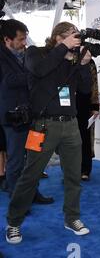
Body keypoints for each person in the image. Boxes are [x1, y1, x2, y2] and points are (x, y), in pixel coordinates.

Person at [5, 22, 93, 244]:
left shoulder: (72, 59)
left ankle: (71, 218)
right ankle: (14, 223)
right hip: (42, 127)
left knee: (73, 176)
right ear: (58, 37)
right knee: (30, 176)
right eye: (71, 37)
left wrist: (83, 64)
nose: (75, 41)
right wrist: (63, 49)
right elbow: (40, 70)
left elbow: (84, 89)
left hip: (71, 126)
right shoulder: (36, 53)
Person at [0, 19, 54, 204]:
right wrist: (36, 74)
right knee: (15, 163)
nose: (24, 43)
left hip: (30, 116)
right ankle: (19, 201)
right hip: (13, 119)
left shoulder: (26, 54)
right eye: (20, 39)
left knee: (33, 159)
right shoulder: (1, 56)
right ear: (7, 39)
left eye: (25, 39)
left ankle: (33, 193)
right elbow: (10, 80)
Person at [76, 58, 99, 181]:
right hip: (67, 103)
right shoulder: (64, 57)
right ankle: (70, 170)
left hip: (85, 103)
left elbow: (95, 84)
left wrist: (95, 106)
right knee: (68, 140)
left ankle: (85, 169)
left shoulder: (89, 62)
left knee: (85, 137)